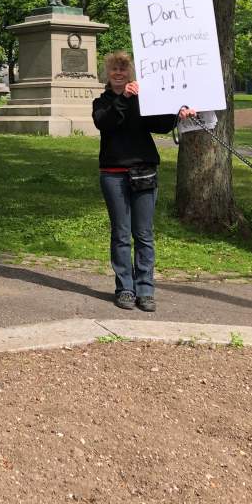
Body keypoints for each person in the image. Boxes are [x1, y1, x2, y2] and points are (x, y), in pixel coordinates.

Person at [91, 51, 195, 312]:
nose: (118, 73)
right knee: (121, 234)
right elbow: (105, 123)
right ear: (107, 74)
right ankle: (125, 287)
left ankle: (145, 289)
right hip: (113, 173)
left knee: (144, 234)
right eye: (114, 69)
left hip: (144, 171)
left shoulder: (144, 99)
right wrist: (123, 98)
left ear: (130, 73)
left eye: (123, 69)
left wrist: (177, 114)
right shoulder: (101, 102)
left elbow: (159, 124)